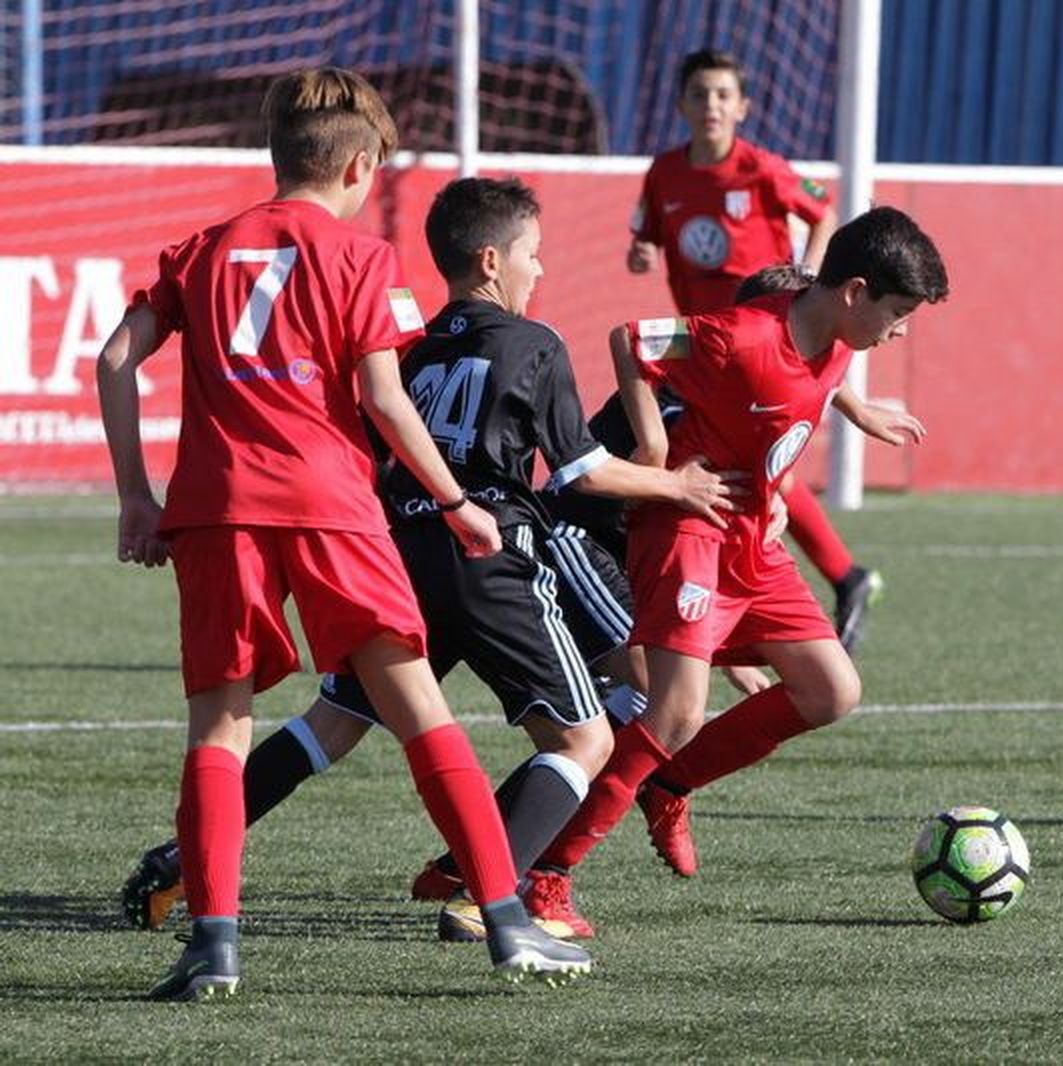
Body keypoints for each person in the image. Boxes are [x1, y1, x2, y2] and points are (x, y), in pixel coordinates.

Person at [117, 174, 743, 947]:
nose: (539, 272)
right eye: (532, 256)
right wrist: (674, 483)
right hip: (488, 553)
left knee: (330, 724)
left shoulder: (412, 348)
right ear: (490, 261)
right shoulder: (534, 343)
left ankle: (188, 855)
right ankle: (493, 894)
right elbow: (581, 471)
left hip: (401, 556)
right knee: (588, 738)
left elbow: (380, 442)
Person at [96, 69, 587, 1000]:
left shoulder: (203, 247)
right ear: (360, 164)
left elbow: (115, 356)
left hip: (217, 506)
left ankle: (212, 944)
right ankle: (508, 923)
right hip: (332, 508)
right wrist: (454, 501)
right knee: (419, 714)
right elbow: (383, 399)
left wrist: (135, 493)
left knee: (219, 729)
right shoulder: (359, 258)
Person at [526, 206, 949, 938]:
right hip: (689, 528)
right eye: (899, 312)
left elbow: (823, 368)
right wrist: (655, 444)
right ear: (853, 291)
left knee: (831, 689)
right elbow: (632, 340)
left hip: (754, 540)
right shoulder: (741, 334)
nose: (902, 329)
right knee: (675, 710)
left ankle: (671, 781)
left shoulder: (838, 335)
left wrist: (856, 410)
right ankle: (548, 875)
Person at [627, 48, 885, 653]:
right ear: (681, 104)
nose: (711, 105)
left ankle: (834, 578)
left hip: (763, 340)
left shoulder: (763, 167)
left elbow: (825, 214)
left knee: (754, 473)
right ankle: (833, 579)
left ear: (741, 107)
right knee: (740, 475)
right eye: (700, 94)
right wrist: (640, 251)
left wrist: (807, 279)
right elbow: (646, 236)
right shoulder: (664, 172)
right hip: (702, 351)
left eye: (723, 95)